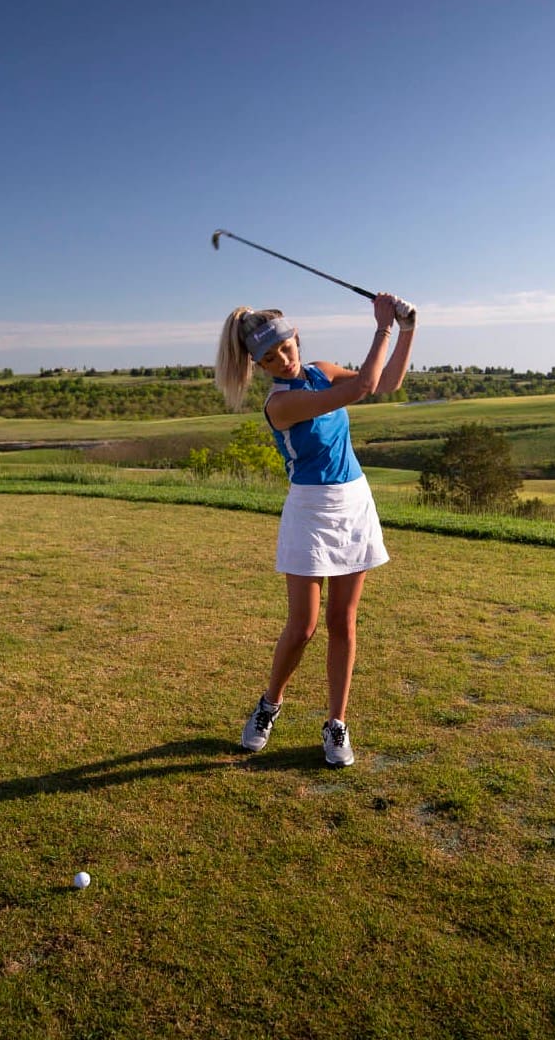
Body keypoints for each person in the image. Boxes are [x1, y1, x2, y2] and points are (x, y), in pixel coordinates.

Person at [214, 292, 417, 767]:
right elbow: (362, 387)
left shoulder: (322, 369)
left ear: (295, 338)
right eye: (269, 358)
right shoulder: (280, 404)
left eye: (284, 349)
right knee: (303, 626)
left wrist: (408, 330)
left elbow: (386, 383)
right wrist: (383, 325)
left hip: (353, 503)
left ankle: (336, 724)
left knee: (343, 623)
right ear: (259, 366)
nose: (282, 361)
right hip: (309, 510)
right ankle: (269, 705)